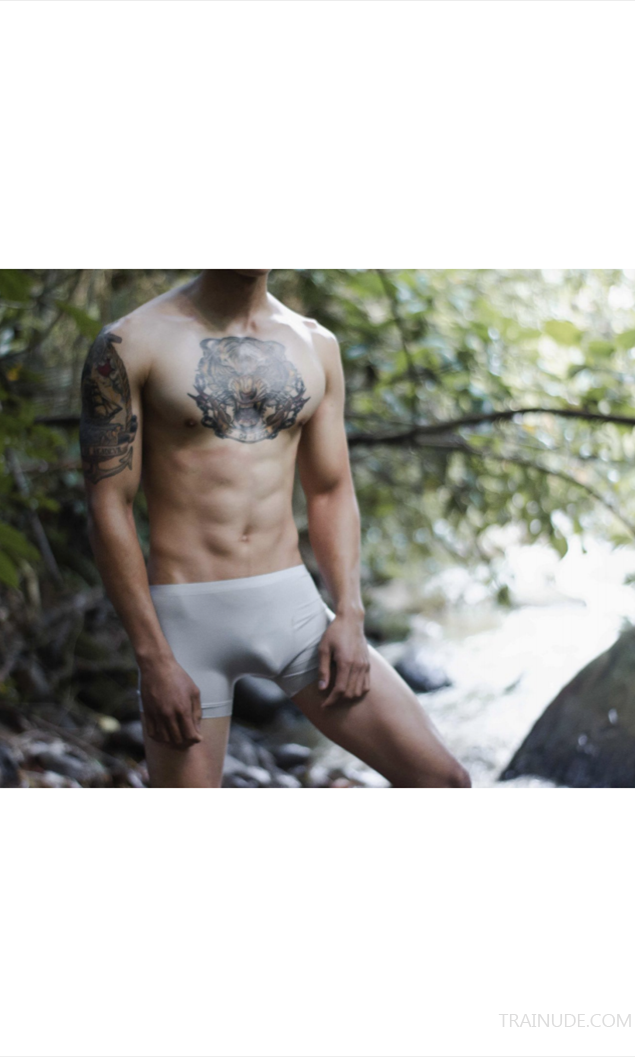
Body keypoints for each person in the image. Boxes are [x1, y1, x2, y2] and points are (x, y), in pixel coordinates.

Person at [79, 270, 471, 789]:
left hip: (292, 610)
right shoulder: (130, 342)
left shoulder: (314, 343)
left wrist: (350, 613)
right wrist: (153, 658)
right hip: (186, 624)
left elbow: (330, 489)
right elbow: (109, 504)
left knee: (443, 782)